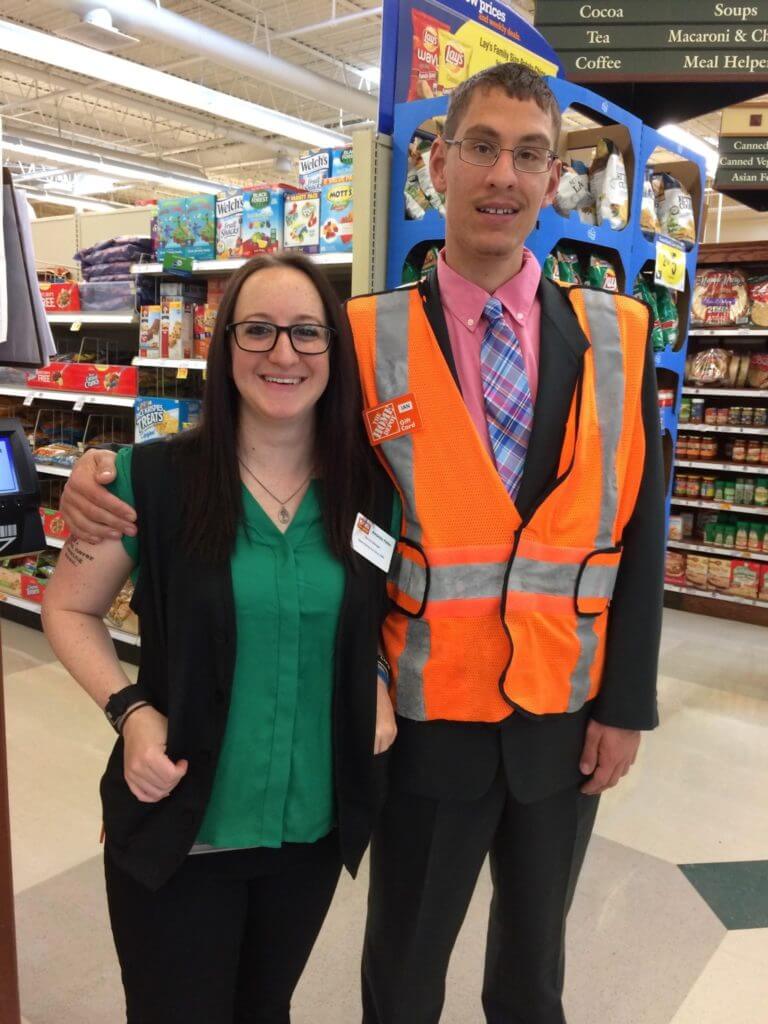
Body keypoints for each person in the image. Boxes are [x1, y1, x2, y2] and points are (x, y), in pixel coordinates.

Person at [61, 64, 666, 1024]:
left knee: (535, 963)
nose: (503, 174)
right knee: (405, 961)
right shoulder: (356, 336)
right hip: (421, 717)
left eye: (529, 154)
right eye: (481, 147)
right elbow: (263, 426)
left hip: (566, 710)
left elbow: (639, 531)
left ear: (554, 181)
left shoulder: (621, 335)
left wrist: (627, 703)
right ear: (437, 164)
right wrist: (108, 472)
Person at [42, 252, 398, 1024]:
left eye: (307, 333)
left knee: (265, 1008)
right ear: (223, 345)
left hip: (306, 831)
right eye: (258, 330)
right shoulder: (151, 479)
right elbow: (67, 610)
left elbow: (369, 616)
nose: (283, 354)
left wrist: (373, 676)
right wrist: (131, 710)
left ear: (334, 351)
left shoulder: (370, 494)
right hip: (183, 826)